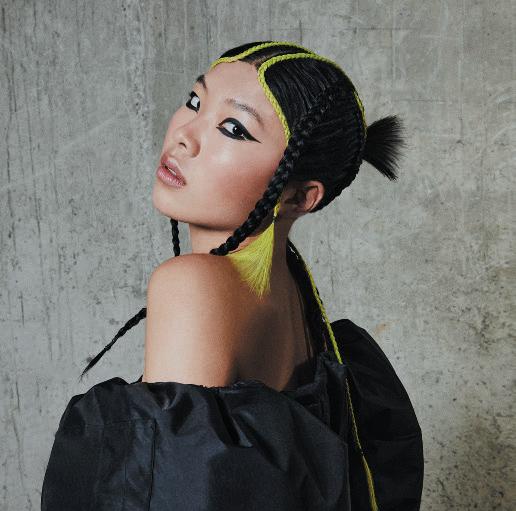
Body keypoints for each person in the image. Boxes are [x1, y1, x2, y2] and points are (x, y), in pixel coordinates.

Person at [41, 41, 424, 510]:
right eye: (195, 101)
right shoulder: (295, 294)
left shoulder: (193, 286)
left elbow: (176, 495)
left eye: (233, 128)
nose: (185, 136)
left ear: (299, 197)